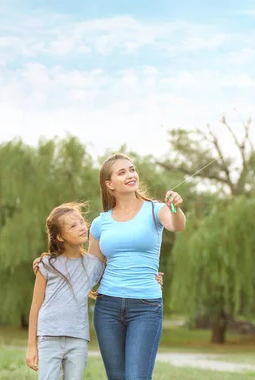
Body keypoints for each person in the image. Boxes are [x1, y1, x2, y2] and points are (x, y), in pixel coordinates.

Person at [87, 152, 186, 380]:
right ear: (109, 184)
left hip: (146, 307)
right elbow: (91, 270)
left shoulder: (156, 209)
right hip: (107, 308)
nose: (131, 174)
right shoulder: (101, 223)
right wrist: (54, 263)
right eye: (122, 172)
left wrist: (175, 208)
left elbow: (177, 225)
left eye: (132, 169)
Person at [26, 202, 105, 379]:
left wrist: (150, 277)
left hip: (78, 338)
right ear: (60, 237)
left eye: (81, 222)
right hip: (49, 336)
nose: (81, 227)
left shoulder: (94, 265)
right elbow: (35, 307)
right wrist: (32, 346)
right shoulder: (46, 264)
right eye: (73, 225)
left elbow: (119, 274)